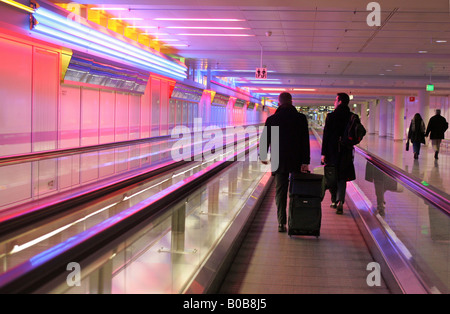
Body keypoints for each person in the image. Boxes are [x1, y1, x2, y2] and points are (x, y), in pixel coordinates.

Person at [260, 92, 310, 232]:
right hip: (297, 160)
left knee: (280, 192)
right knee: (296, 191)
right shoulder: (300, 119)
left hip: (279, 160)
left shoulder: (273, 119)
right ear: (291, 101)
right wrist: (305, 161)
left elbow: (265, 140)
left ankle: (281, 222)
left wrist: (263, 156)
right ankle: (294, 221)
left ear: (279, 102)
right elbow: (305, 141)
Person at [321, 93, 357, 215]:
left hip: (332, 151)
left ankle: (333, 200)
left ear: (340, 101)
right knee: (342, 177)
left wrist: (323, 153)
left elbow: (326, 136)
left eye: (335, 100)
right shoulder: (352, 116)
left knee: (331, 176)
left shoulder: (331, 116)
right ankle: (340, 200)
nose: (334, 102)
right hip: (346, 150)